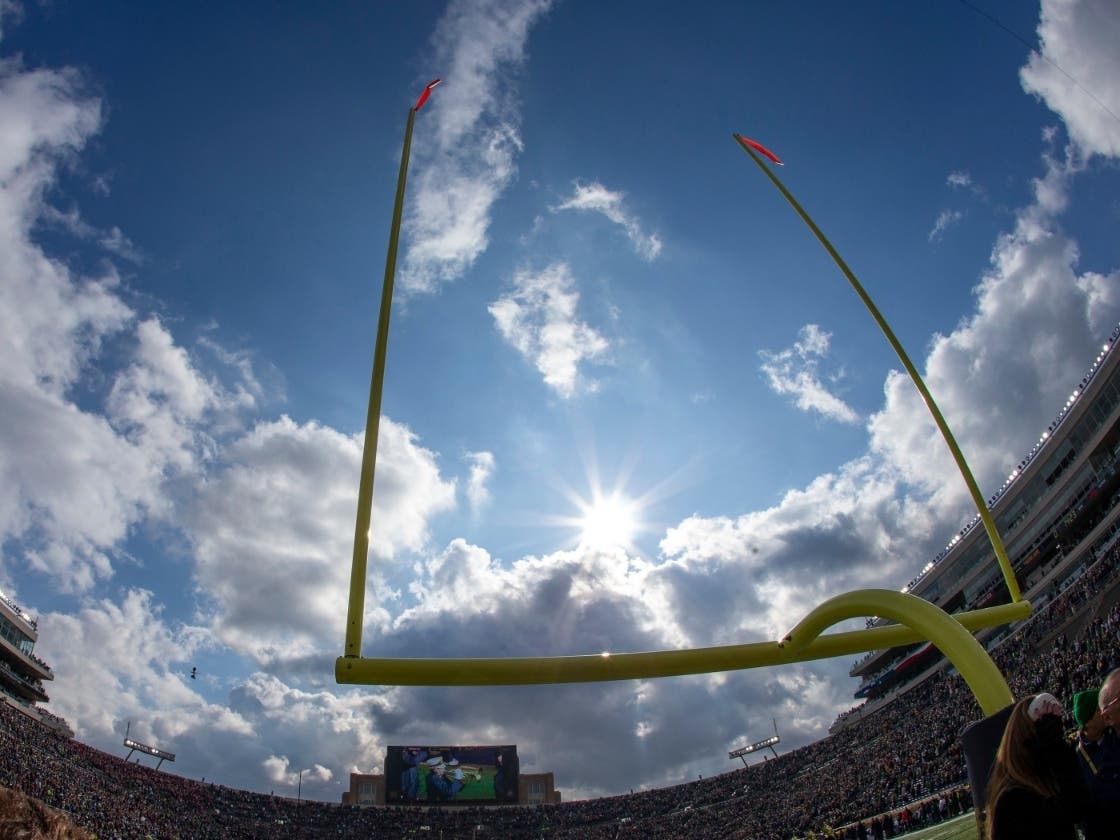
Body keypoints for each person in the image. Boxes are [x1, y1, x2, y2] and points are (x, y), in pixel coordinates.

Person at [985, 693, 1089, 839]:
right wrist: (1056, 748)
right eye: (1045, 728)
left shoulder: (1041, 781)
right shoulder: (1012, 798)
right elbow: (1074, 806)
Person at [1073, 677, 1120, 839]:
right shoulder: (1077, 761)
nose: (1103, 712)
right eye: (1097, 711)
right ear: (1088, 721)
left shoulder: (1114, 733)